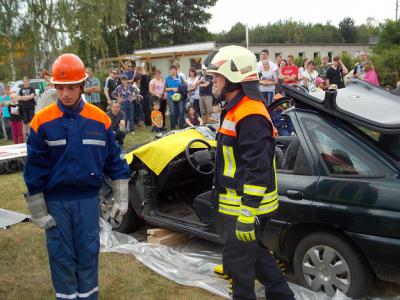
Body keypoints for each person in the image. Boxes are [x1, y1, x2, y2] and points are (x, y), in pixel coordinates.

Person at [23, 53, 129, 300]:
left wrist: (121, 199)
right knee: (61, 258)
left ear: (82, 85)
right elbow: (34, 168)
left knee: (88, 255)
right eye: (60, 88)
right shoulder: (42, 122)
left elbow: (115, 161)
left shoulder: (100, 119)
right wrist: (38, 210)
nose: (65, 94)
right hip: (57, 203)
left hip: (88, 201)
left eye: (71, 87)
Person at [204, 45, 294, 300]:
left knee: (239, 268)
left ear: (233, 78)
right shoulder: (236, 108)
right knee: (256, 257)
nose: (214, 82)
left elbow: (258, 167)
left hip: (247, 207)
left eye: (217, 77)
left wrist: (247, 211)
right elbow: (239, 156)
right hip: (241, 204)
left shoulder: (250, 114)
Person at [165, 65, 185, 129]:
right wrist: (172, 89)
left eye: (174, 69)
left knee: (181, 111)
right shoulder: (167, 78)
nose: (172, 71)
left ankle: (181, 126)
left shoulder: (180, 78)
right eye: (171, 70)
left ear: (176, 70)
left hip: (179, 97)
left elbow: (184, 86)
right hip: (171, 97)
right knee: (172, 112)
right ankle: (172, 126)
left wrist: (179, 89)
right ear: (170, 71)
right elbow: (165, 89)